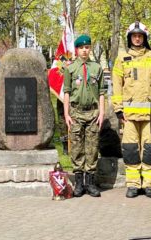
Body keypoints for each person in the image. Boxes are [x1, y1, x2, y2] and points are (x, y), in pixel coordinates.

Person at [112, 21, 151, 198]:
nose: (137, 38)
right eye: (134, 36)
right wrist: (119, 110)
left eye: (140, 36)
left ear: (144, 38)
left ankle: (148, 184)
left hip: (149, 116)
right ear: (130, 38)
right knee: (130, 149)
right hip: (129, 116)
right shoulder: (121, 59)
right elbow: (117, 86)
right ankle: (133, 184)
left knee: (149, 149)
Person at [63, 35, 105, 197]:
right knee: (77, 147)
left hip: (93, 113)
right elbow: (66, 92)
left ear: (90, 49)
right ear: (77, 50)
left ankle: (91, 183)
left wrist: (101, 112)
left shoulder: (97, 68)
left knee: (92, 148)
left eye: (87, 47)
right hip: (75, 113)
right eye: (81, 48)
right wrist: (66, 114)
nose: (84, 50)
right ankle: (79, 183)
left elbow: (101, 92)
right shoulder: (71, 69)